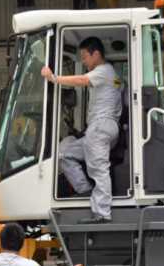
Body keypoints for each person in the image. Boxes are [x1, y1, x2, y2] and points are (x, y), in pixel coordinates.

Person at [41, 37, 124, 223]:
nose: (84, 61)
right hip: (103, 128)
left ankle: (102, 213)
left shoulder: (104, 70)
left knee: (98, 169)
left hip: (100, 127)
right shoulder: (113, 75)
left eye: (85, 57)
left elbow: (81, 80)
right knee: (64, 153)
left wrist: (53, 78)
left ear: (96, 54)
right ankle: (85, 191)